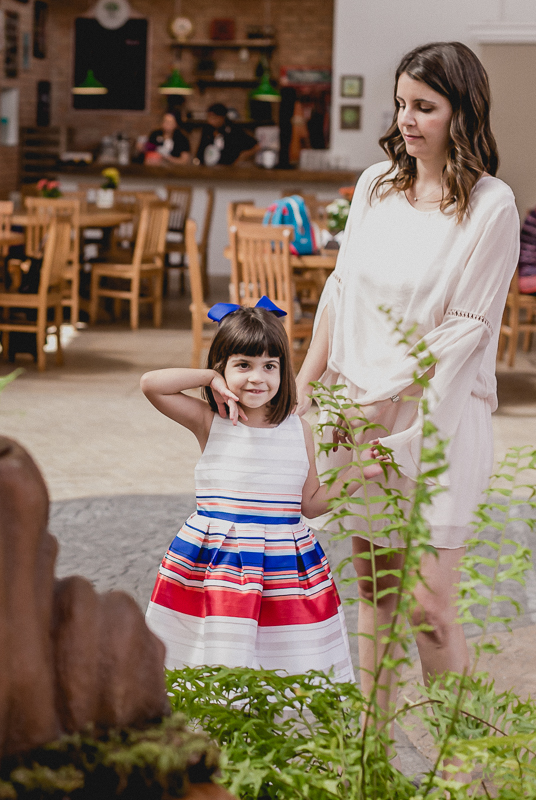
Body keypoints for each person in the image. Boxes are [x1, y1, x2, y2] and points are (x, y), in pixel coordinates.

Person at [294, 42, 521, 712]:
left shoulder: (491, 206)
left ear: (463, 113)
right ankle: (374, 754)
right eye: (401, 104)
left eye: (425, 106)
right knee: (375, 594)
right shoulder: (375, 186)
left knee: (430, 610)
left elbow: (463, 334)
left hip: (437, 423)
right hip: (354, 406)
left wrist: (378, 411)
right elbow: (341, 291)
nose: (406, 120)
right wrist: (308, 383)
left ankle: (468, 772)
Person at [141, 301, 356, 681]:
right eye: (243, 365)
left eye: (269, 366)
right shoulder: (211, 422)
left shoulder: (298, 429)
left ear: (283, 370)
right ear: (223, 367)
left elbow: (311, 504)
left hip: (284, 570)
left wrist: (360, 472)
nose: (257, 378)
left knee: (287, 662)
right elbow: (151, 384)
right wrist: (208, 377)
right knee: (218, 660)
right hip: (219, 566)